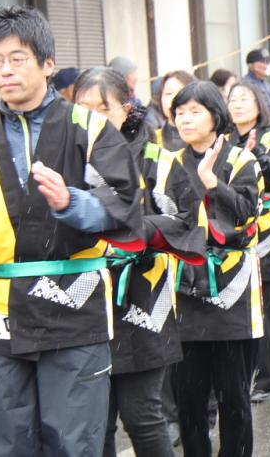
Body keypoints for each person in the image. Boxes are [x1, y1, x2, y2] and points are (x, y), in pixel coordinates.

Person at [0, 5, 144, 456]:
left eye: (17, 59)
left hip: (73, 305)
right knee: (9, 444)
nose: (4, 71)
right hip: (1, 310)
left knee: (73, 443)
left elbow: (125, 204)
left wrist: (71, 203)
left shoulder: (90, 127)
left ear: (47, 65)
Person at [72, 67, 207, 457]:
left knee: (143, 415)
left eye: (104, 108)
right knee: (94, 423)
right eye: (84, 109)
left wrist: (132, 231)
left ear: (126, 109)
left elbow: (189, 222)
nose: (94, 117)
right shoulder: (66, 158)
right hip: (81, 303)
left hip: (145, 304)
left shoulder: (157, 159)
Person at [171, 81, 264, 457]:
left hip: (232, 292)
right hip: (182, 293)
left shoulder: (242, 160)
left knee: (234, 398)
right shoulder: (170, 163)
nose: (185, 119)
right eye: (179, 113)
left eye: (194, 111)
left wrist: (213, 183)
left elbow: (246, 217)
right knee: (189, 401)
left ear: (215, 116)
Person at [226, 80, 270, 403]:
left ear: (258, 105)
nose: (238, 104)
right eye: (233, 99)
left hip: (264, 226)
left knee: (268, 303)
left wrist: (257, 157)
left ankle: (267, 378)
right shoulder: (222, 140)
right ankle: (243, 372)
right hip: (230, 229)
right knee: (238, 302)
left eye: (245, 98)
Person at [153, 70, 196, 151]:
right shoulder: (152, 140)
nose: (174, 98)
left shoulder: (207, 139)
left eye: (181, 92)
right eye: (169, 93)